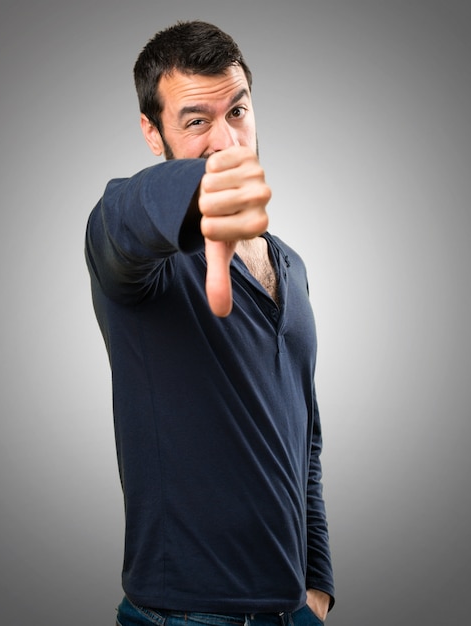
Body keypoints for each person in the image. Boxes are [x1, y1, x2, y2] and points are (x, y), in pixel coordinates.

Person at [85, 20, 335, 626]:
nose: (227, 141)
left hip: (290, 610)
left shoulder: (292, 267)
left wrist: (317, 585)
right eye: (196, 121)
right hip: (182, 616)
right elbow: (123, 215)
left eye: (238, 112)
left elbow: (304, 437)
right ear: (152, 133)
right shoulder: (139, 262)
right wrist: (201, 191)